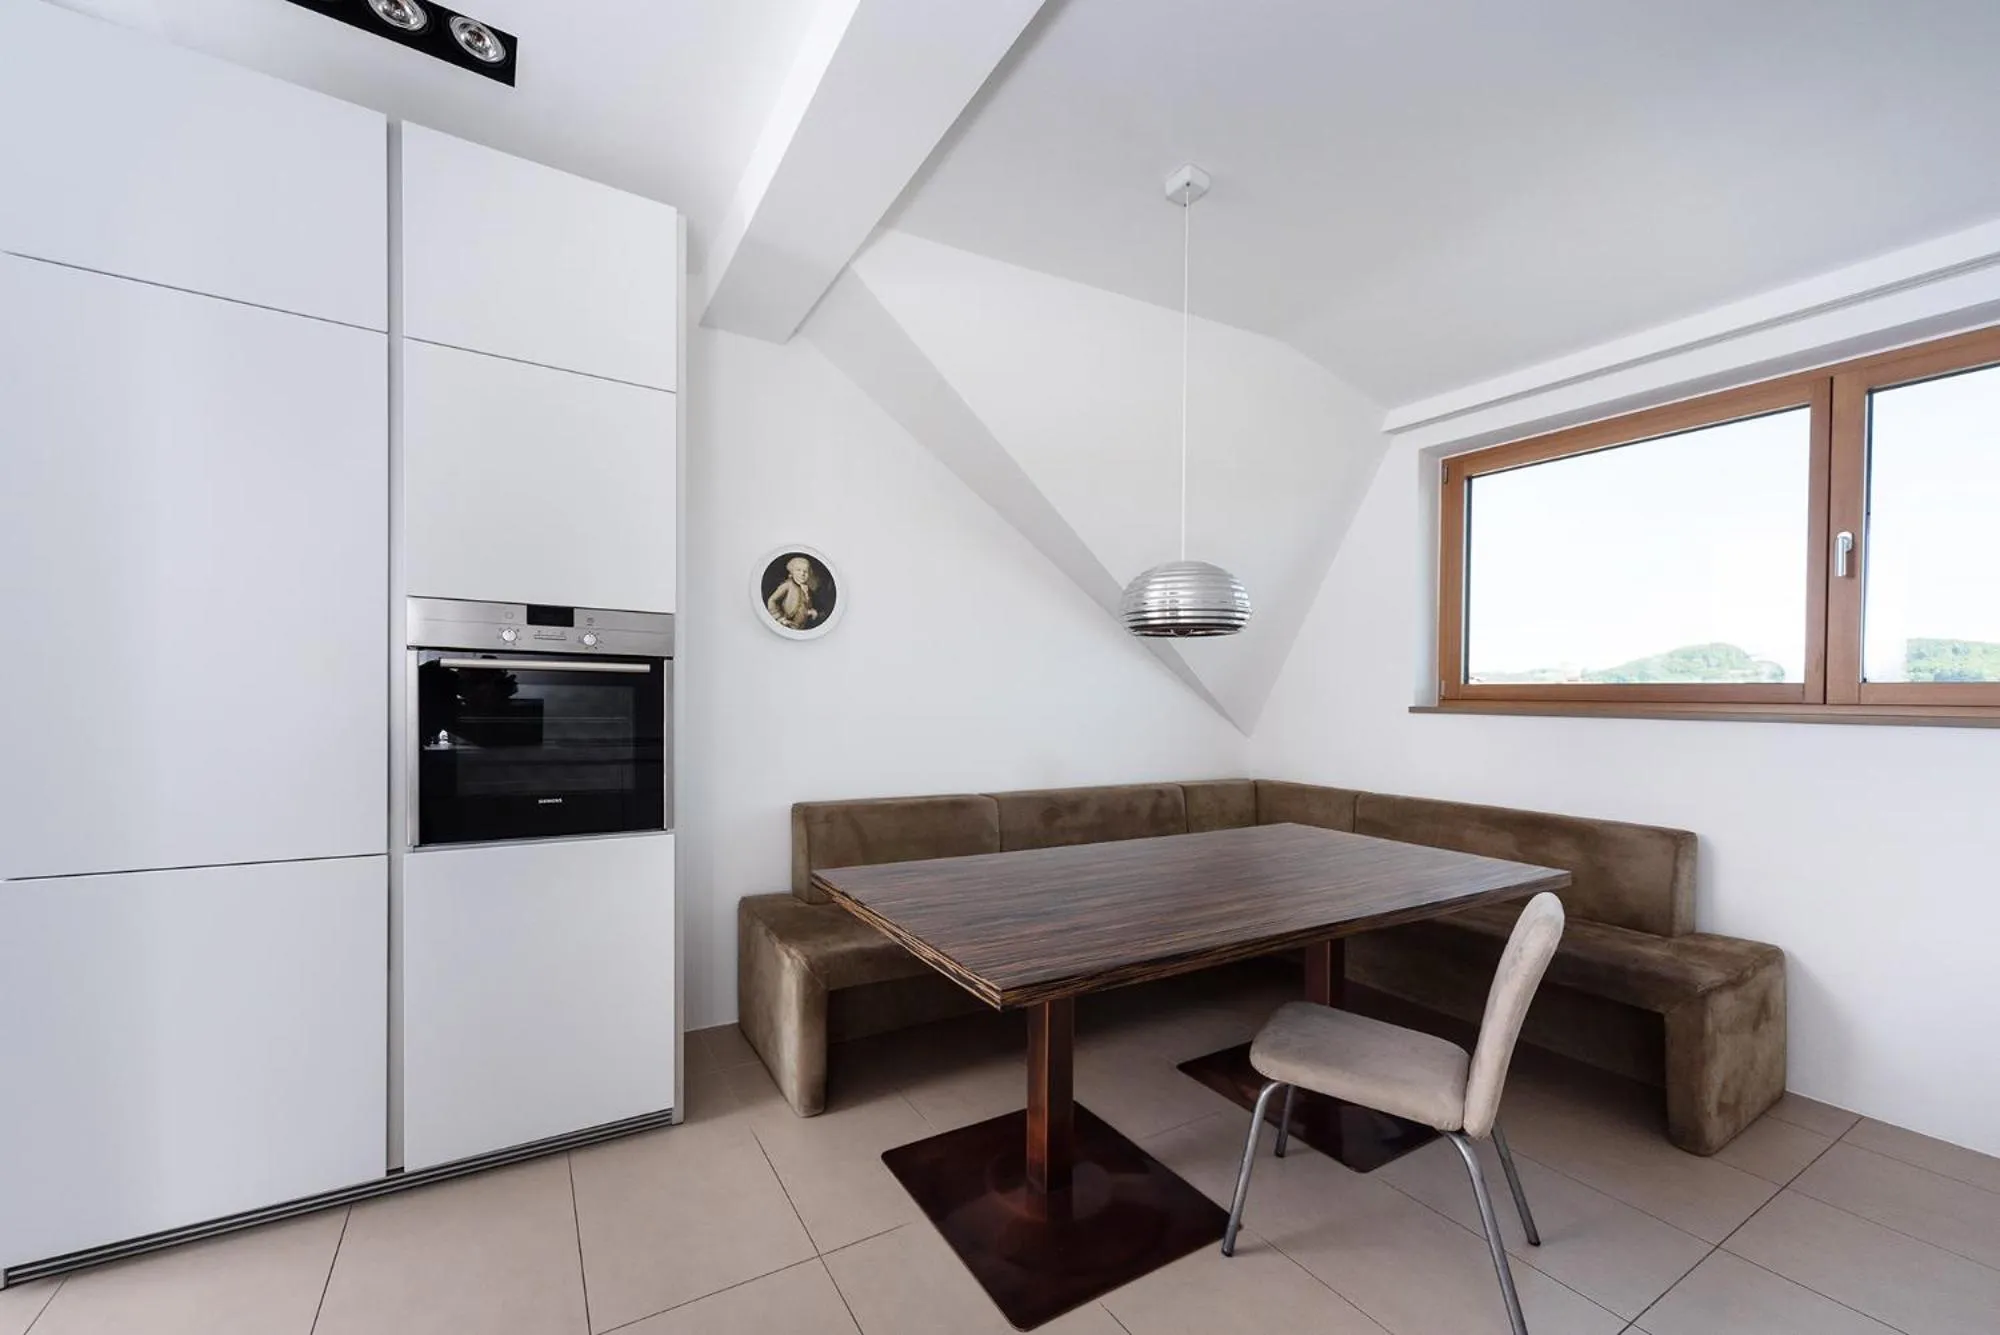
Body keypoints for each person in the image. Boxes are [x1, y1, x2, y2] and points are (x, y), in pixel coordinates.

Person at [766, 555, 821, 630]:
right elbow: (772, 600)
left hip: (800, 627)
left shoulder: (807, 590)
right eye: (798, 570)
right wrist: (780, 618)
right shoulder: (787, 585)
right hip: (786, 625)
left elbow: (803, 607)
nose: (802, 574)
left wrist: (809, 611)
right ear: (792, 572)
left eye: (805, 571)